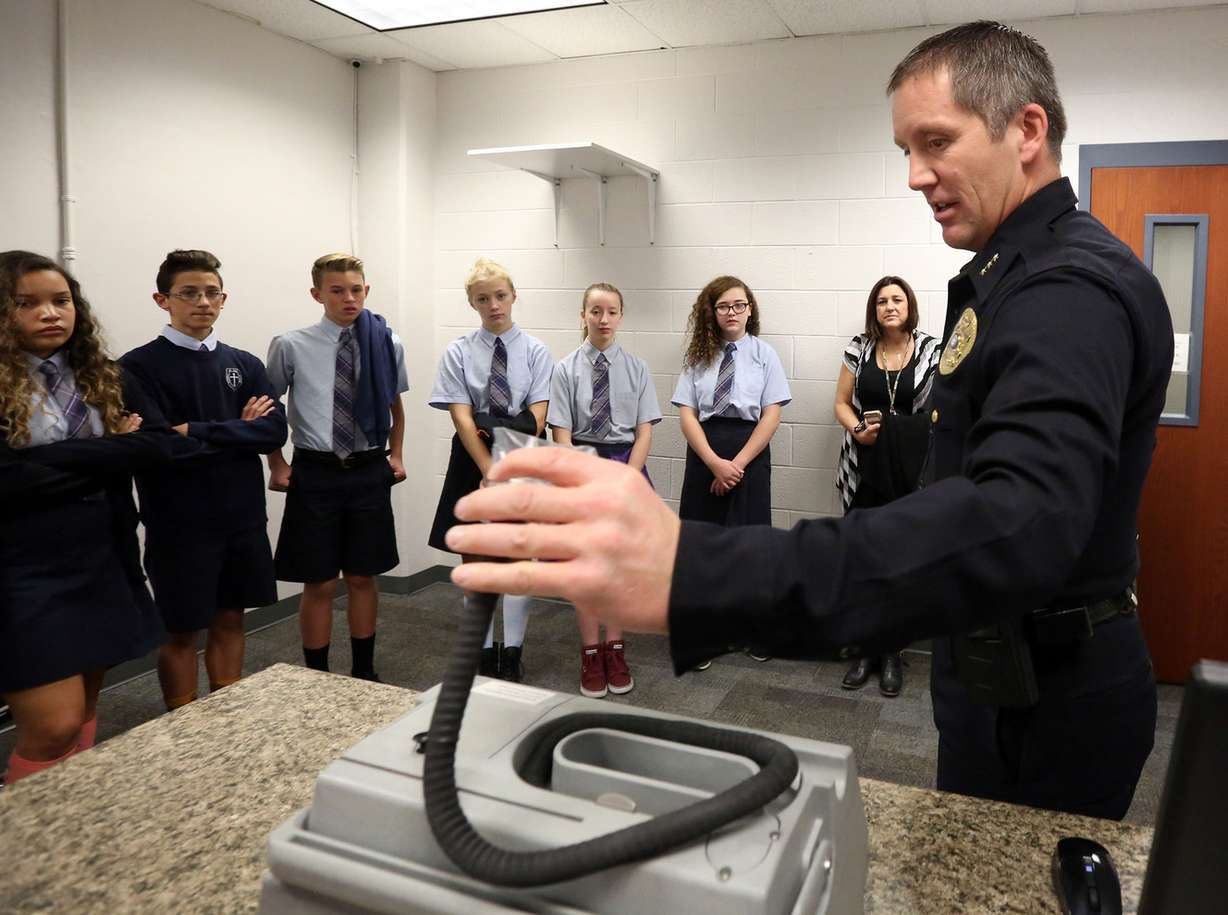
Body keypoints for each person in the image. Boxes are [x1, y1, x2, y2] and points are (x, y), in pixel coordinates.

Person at [442, 20, 1174, 821]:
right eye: (905, 151)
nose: (915, 175)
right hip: (998, 671)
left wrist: (698, 568)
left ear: (1026, 129)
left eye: (935, 141)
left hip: (1054, 691)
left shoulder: (1068, 288)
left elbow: (1015, 523)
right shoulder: (1009, 277)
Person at [0, 251, 173, 784]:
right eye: (27, 303)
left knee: (85, 707)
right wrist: (113, 451)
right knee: (54, 724)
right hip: (22, 569)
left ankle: (69, 815)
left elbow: (160, 446)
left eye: (61, 300)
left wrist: (44, 464)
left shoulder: (103, 374)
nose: (50, 313)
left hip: (104, 555)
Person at [121, 250, 287, 710]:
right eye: (189, 293)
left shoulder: (245, 363)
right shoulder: (137, 367)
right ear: (163, 300)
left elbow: (274, 431)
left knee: (231, 618)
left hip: (242, 517)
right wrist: (240, 430)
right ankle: (182, 721)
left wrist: (195, 429)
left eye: (212, 293)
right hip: (179, 523)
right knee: (179, 629)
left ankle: (223, 718)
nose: (202, 302)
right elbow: (159, 446)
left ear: (223, 298)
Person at [265, 253, 408, 682]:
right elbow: (267, 410)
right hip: (316, 471)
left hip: (367, 467)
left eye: (356, 289)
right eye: (337, 290)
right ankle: (317, 675)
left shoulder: (386, 342)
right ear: (317, 294)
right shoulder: (290, 345)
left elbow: (395, 407)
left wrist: (396, 455)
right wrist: (277, 462)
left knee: (363, 577)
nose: (349, 298)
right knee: (320, 582)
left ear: (367, 290)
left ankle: (364, 670)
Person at [427, 258, 552, 684]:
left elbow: (535, 418)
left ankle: (513, 651)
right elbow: (462, 418)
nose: (493, 305)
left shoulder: (536, 352)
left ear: (513, 295)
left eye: (500, 295)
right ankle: (481, 653)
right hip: (471, 459)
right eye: (483, 299)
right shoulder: (458, 352)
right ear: (471, 303)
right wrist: (487, 466)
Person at [548, 282, 661, 698]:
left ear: (621, 316)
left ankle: (615, 649)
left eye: (611, 311)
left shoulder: (637, 368)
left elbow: (645, 428)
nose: (604, 319)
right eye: (595, 311)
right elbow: (560, 430)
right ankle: (590, 652)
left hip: (626, 466)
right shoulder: (564, 369)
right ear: (583, 316)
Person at [673, 275, 790, 667]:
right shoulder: (697, 356)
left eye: (739, 305)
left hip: (750, 453)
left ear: (750, 308)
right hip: (705, 451)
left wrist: (737, 464)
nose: (732, 312)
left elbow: (772, 414)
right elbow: (686, 414)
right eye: (723, 306)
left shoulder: (764, 354)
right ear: (713, 311)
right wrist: (713, 462)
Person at [834, 276, 940, 697]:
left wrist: (902, 431)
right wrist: (858, 428)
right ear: (873, 309)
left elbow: (939, 409)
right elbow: (841, 402)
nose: (889, 306)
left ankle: (893, 652)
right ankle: (865, 649)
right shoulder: (858, 348)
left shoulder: (931, 349)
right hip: (864, 466)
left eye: (897, 299)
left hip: (911, 471)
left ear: (910, 306)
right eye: (881, 301)